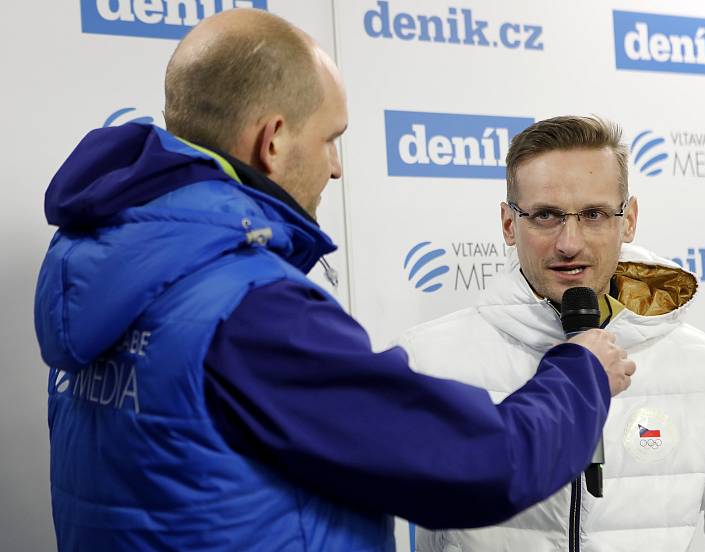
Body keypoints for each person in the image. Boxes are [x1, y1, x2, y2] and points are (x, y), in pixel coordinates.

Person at [33, 11, 636, 552]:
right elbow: (483, 464)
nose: (337, 167)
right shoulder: (248, 311)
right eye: (330, 139)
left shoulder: (109, 273)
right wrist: (581, 374)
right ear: (272, 142)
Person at [398, 115, 705, 551]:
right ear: (509, 224)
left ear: (628, 220)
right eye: (546, 215)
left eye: (593, 214)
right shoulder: (427, 361)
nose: (569, 242)